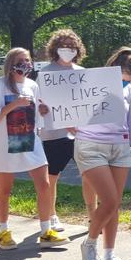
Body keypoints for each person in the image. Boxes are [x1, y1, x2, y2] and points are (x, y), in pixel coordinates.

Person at [0, 47, 67, 249]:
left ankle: (46, 231)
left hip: (30, 141)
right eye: (20, 61)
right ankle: (3, 232)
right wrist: (13, 105)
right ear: (10, 64)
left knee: (44, 185)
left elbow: (37, 115)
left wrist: (42, 111)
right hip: (5, 144)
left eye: (27, 60)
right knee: (5, 189)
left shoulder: (33, 85)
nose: (25, 64)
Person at [77, 47, 131, 260]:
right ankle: (89, 243)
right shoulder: (90, 83)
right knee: (108, 201)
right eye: (122, 80)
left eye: (129, 81)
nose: (125, 84)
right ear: (113, 70)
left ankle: (109, 256)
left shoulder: (128, 89)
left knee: (114, 204)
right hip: (90, 145)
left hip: (119, 147)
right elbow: (69, 111)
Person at [38, 29, 95, 233]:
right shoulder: (46, 73)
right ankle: (52, 215)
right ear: (54, 48)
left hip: (81, 134)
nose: (67, 49)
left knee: (89, 175)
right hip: (55, 134)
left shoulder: (82, 72)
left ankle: (93, 216)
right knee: (53, 176)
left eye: (71, 46)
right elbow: (41, 103)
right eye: (63, 45)